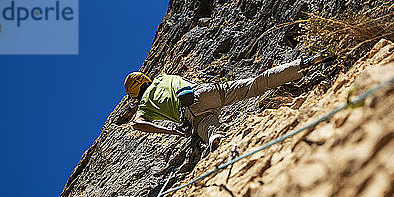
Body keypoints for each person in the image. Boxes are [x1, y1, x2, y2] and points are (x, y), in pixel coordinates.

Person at [125, 55, 327, 150]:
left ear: (135, 93)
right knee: (255, 85)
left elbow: (137, 123)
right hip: (203, 92)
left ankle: (220, 145)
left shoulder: (144, 104)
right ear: (145, 79)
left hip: (192, 114)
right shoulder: (162, 78)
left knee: (213, 135)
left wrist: (173, 132)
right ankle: (302, 65)